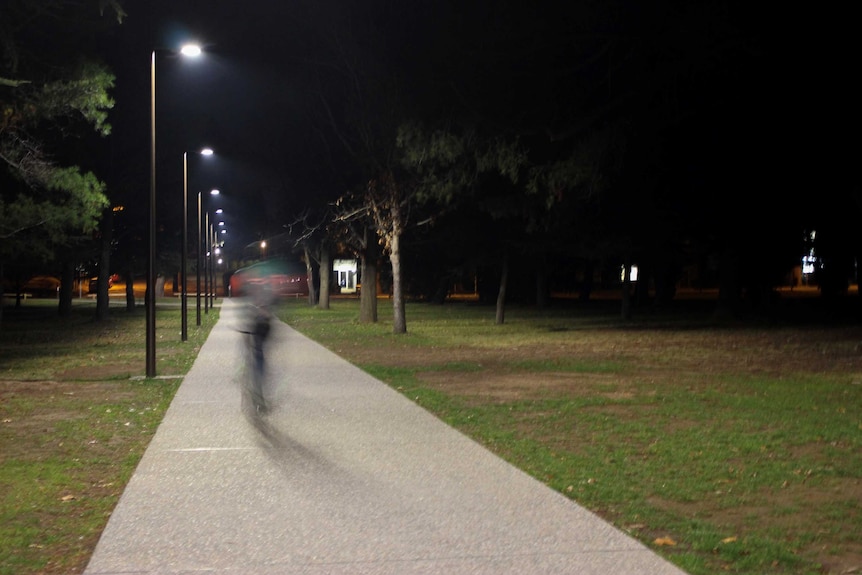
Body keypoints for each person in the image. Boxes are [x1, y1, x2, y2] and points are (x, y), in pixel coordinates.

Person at [244, 281, 273, 415]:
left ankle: (258, 396)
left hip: (260, 338)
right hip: (257, 340)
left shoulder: (260, 307)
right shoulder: (254, 307)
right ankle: (258, 398)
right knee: (258, 367)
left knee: (258, 366)